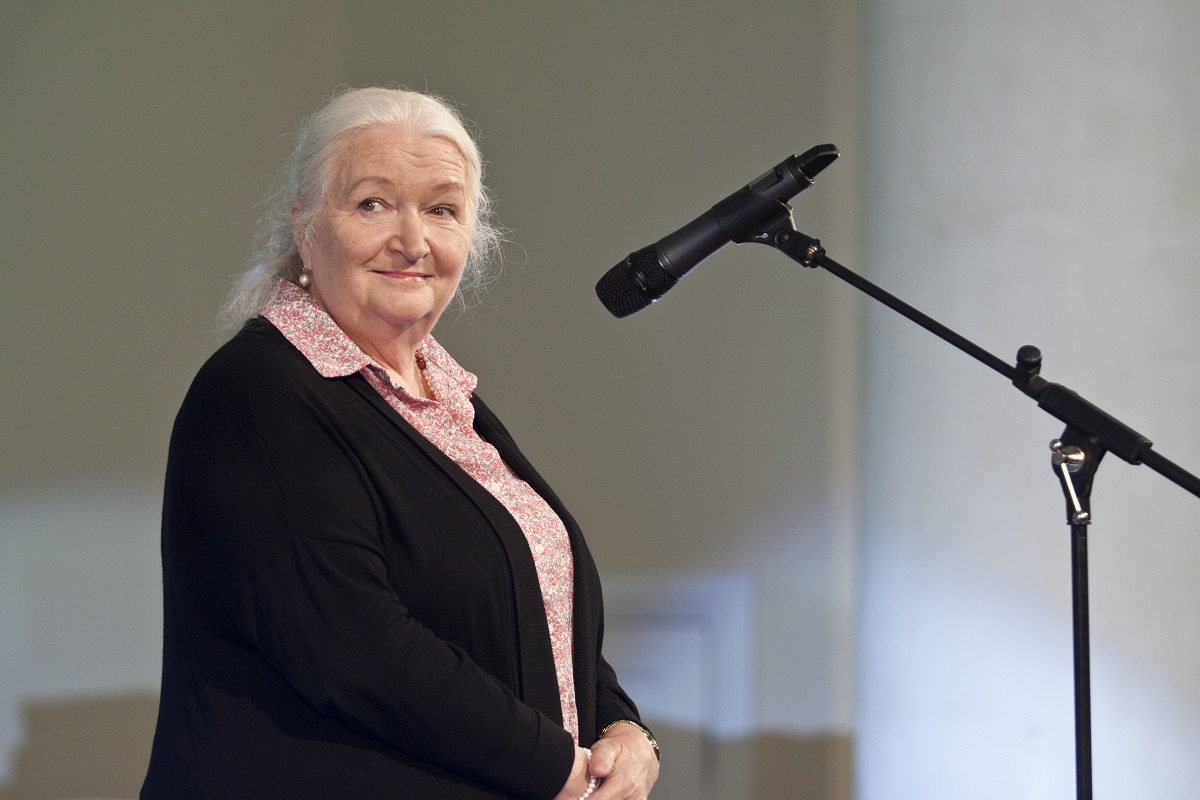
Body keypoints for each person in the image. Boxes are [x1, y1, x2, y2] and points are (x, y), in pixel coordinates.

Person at [141, 86, 660, 800]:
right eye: (373, 204)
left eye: (442, 210)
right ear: (305, 227)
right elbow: (355, 649)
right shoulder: (258, 393)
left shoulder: (443, 395)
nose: (412, 241)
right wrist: (559, 770)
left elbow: (532, 601)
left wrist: (621, 729)